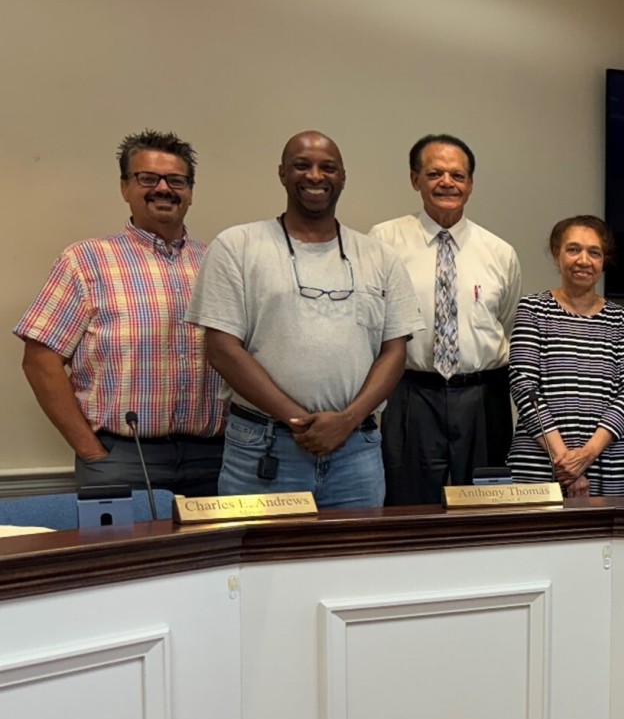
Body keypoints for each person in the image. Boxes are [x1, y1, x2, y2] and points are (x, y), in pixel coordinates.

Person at [186, 132, 419, 507]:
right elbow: (222, 349)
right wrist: (300, 422)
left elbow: (394, 351)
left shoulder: (380, 257)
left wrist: (346, 421)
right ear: (282, 173)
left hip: (356, 452)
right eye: (302, 165)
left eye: (328, 167)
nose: (315, 176)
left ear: (342, 177)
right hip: (264, 448)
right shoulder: (237, 246)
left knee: (353, 548)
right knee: (261, 548)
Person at [14, 130, 227, 499]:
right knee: (124, 542)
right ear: (124, 187)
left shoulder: (217, 263)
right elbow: (40, 361)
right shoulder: (85, 261)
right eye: (148, 178)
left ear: (190, 192)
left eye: (176, 180)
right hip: (123, 458)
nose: (163, 188)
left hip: (214, 457)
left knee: (217, 542)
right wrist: (91, 451)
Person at [371, 134, 522, 504]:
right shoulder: (384, 241)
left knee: (487, 505)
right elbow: (373, 323)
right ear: (415, 179)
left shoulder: (499, 252)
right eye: (435, 173)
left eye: (457, 175)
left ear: (470, 184)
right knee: (409, 506)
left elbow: (506, 322)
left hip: (483, 396)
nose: (447, 183)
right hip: (411, 392)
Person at [507, 216, 624, 496]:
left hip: (611, 463)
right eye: (573, 250)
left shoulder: (621, 319)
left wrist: (587, 454)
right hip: (542, 463)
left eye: (594, 252)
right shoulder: (533, 310)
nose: (584, 260)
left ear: (604, 261)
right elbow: (524, 388)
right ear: (557, 255)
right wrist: (566, 463)